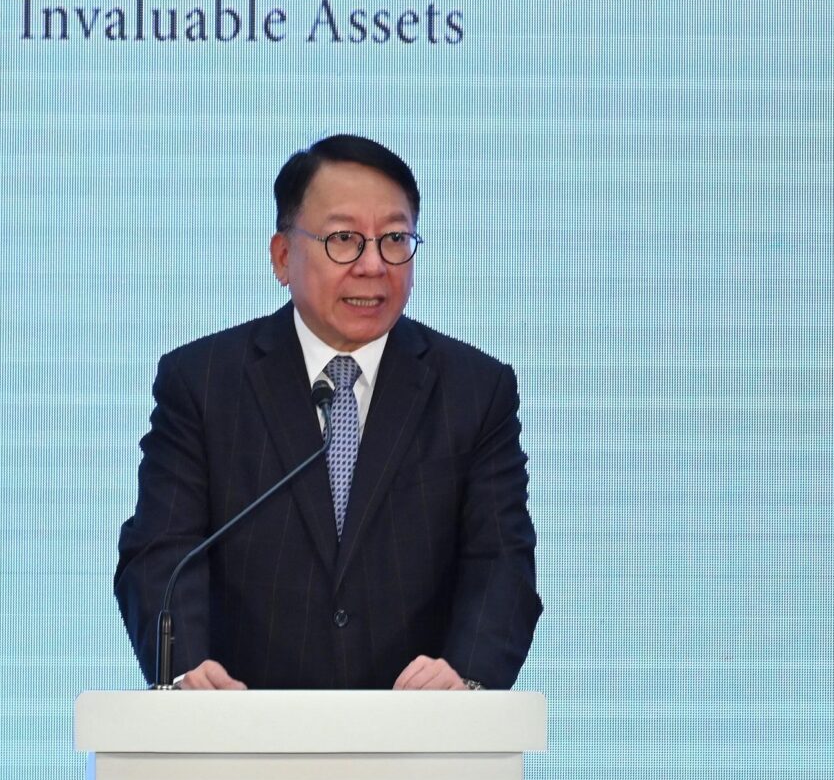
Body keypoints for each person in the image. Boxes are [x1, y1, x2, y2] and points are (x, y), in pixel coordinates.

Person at [113, 134, 540, 691]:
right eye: (344, 239)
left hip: (421, 730)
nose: (373, 265)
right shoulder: (204, 382)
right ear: (282, 256)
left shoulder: (475, 390)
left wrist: (466, 679)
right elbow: (162, 551)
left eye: (395, 239)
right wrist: (188, 674)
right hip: (237, 727)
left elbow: (501, 560)